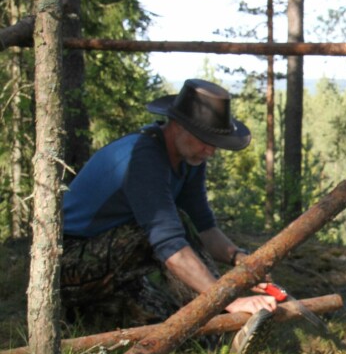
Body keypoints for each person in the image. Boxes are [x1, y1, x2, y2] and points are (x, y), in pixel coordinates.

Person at [61, 78, 277, 325]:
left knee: (173, 327)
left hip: (113, 266)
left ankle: (87, 314)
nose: (211, 151)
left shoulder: (189, 158)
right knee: (165, 228)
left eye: (215, 143)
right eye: (204, 140)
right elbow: (170, 245)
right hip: (66, 264)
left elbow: (204, 227)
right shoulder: (144, 159)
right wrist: (227, 299)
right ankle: (222, 312)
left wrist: (242, 260)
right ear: (177, 126)